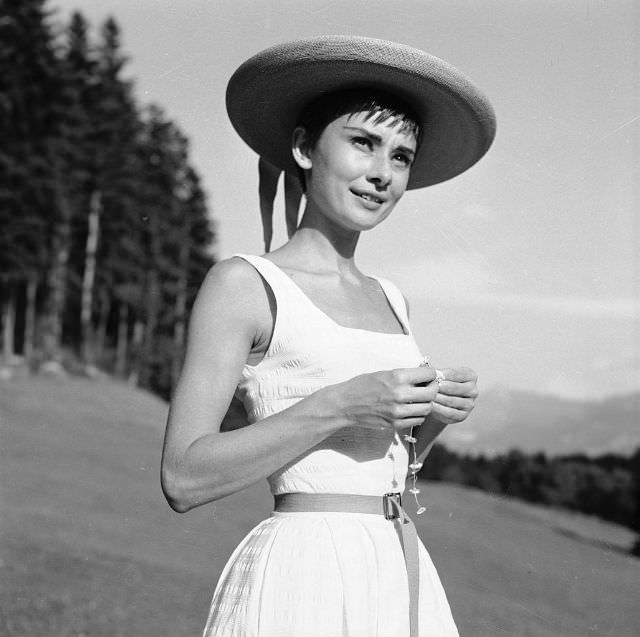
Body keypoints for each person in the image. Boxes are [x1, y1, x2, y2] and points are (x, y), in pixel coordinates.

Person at [161, 35, 496, 637]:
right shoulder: (245, 283)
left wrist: (435, 418)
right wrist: (343, 404)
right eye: (364, 143)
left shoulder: (392, 297)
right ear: (305, 148)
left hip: (396, 565)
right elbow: (184, 478)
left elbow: (376, 467)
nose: (381, 174)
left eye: (400, 156)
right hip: (303, 575)